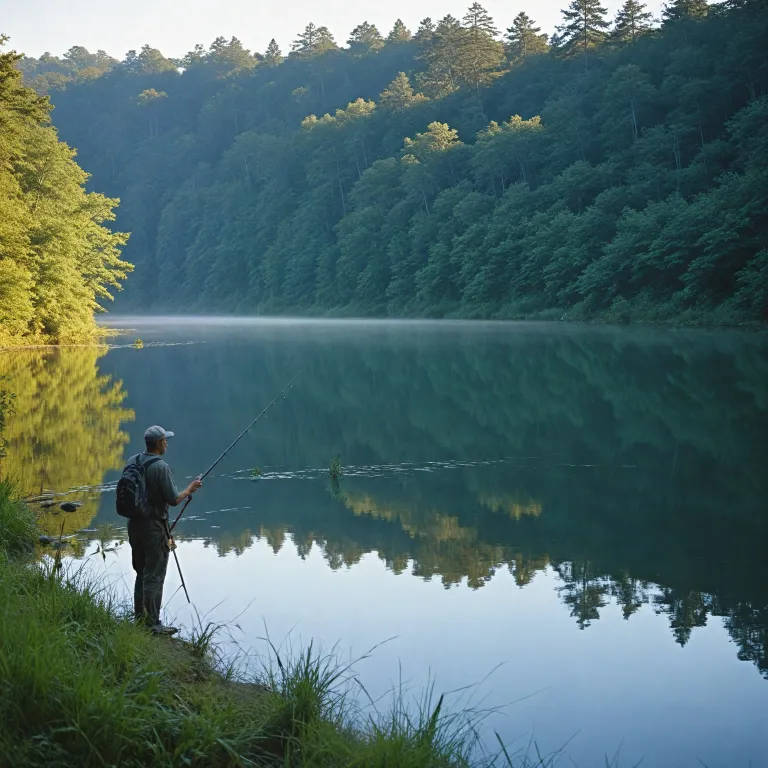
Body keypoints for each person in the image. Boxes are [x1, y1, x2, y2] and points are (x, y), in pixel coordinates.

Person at [127, 425, 202, 635]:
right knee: (154, 575)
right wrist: (190, 488)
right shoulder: (160, 467)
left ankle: (140, 619)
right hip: (153, 527)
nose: (167, 443)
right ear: (159, 443)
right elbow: (173, 499)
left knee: (141, 572)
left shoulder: (132, 461)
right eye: (165, 440)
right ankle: (152, 625)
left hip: (133, 525)